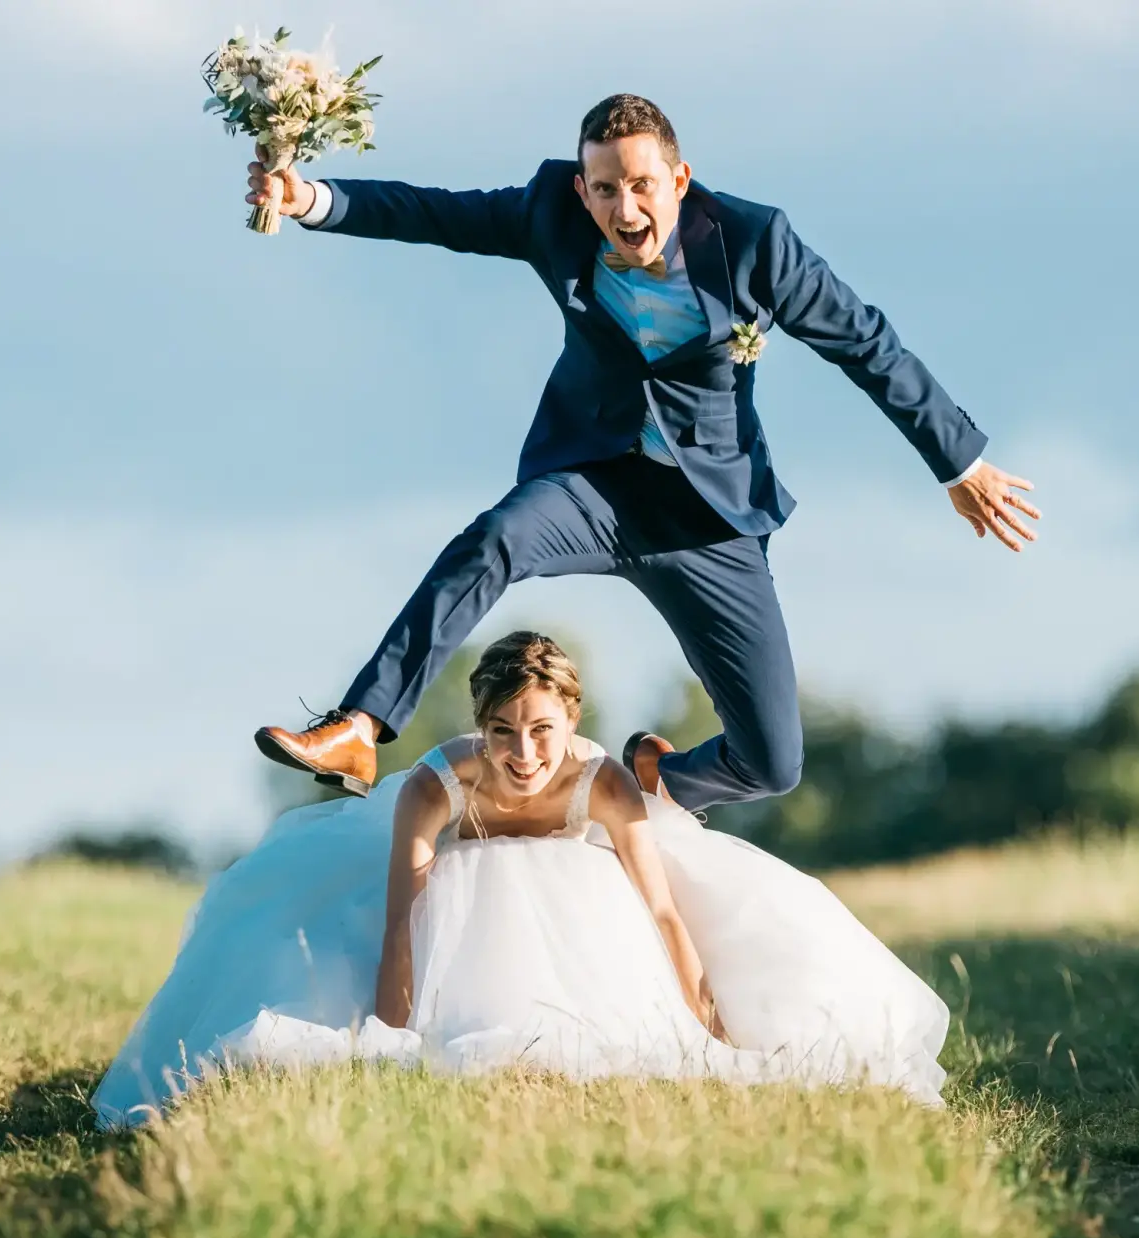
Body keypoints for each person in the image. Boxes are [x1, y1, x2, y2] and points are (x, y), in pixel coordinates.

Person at [247, 94, 1041, 811]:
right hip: (593, 487)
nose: (623, 208)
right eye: (603, 189)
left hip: (708, 521)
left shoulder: (757, 243)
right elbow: (432, 213)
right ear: (580, 191)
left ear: (680, 179)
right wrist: (311, 198)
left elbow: (869, 345)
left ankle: (659, 780)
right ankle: (361, 723)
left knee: (773, 762)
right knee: (493, 538)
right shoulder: (549, 217)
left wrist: (958, 464)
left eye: (641, 186)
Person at [92, 632, 949, 1130]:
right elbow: (403, 919)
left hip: (585, 902)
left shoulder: (597, 781)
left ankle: (659, 771)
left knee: (650, 896)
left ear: (572, 720)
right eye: (502, 731)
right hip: (452, 914)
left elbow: (663, 913)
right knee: (341, 926)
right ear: (480, 728)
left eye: (541, 729)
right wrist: (391, 1041)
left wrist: (711, 1032)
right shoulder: (438, 785)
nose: (524, 752)